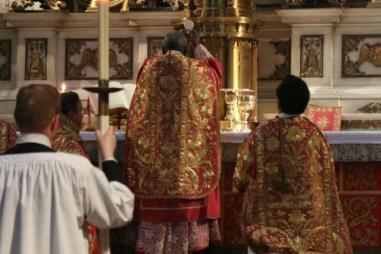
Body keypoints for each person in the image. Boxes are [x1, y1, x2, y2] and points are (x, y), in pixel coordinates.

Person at [0, 84, 134, 254]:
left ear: (16, 119)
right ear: (55, 122)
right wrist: (108, 157)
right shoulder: (75, 169)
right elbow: (120, 209)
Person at [124, 31, 222, 253]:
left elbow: (143, 71)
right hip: (185, 159)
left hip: (156, 156)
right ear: (186, 46)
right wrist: (198, 46)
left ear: (162, 48)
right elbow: (217, 71)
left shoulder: (150, 67)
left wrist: (163, 51)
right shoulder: (199, 70)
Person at [233, 75, 352, 254]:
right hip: (313, 229)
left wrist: (239, 186)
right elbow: (329, 180)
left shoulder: (260, 134)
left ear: (278, 102)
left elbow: (241, 177)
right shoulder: (317, 134)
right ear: (306, 103)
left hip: (270, 227)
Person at [52, 91, 99, 254]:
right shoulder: (71, 144)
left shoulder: (53, 135)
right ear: (72, 114)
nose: (83, 116)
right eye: (81, 111)